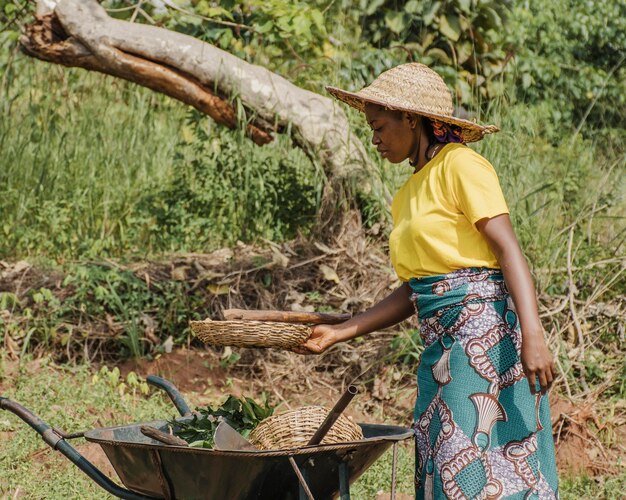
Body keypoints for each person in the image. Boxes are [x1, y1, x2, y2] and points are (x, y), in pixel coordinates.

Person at [294, 63, 559, 498]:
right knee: (439, 453)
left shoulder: (462, 166)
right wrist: (340, 332)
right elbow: (416, 290)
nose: (374, 139)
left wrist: (533, 334)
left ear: (411, 119)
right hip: (438, 341)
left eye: (379, 127)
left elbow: (508, 250)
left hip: (483, 335)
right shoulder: (406, 195)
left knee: (474, 455)